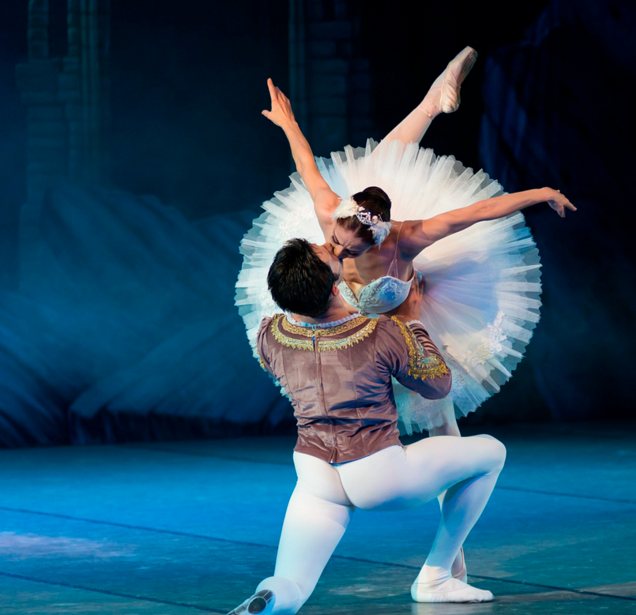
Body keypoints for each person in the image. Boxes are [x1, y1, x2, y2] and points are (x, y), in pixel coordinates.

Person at [236, 47, 575, 437]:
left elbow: (477, 212)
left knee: (438, 411)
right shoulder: (330, 211)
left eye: (351, 250)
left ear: (376, 241)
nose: (337, 253)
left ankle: (432, 102)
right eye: (336, 242)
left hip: (404, 325)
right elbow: (306, 164)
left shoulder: (407, 240)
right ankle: (432, 102)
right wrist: (288, 123)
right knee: (382, 162)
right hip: (355, 338)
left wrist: (542, 192)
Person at [226, 238, 506, 615]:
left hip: (314, 474)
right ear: (329, 283)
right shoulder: (379, 333)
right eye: (325, 253)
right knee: (491, 451)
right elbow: (438, 384)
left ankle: (270, 599)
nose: (326, 243)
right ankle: (436, 576)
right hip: (379, 472)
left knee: (293, 582)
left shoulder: (269, 335)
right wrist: (412, 323)